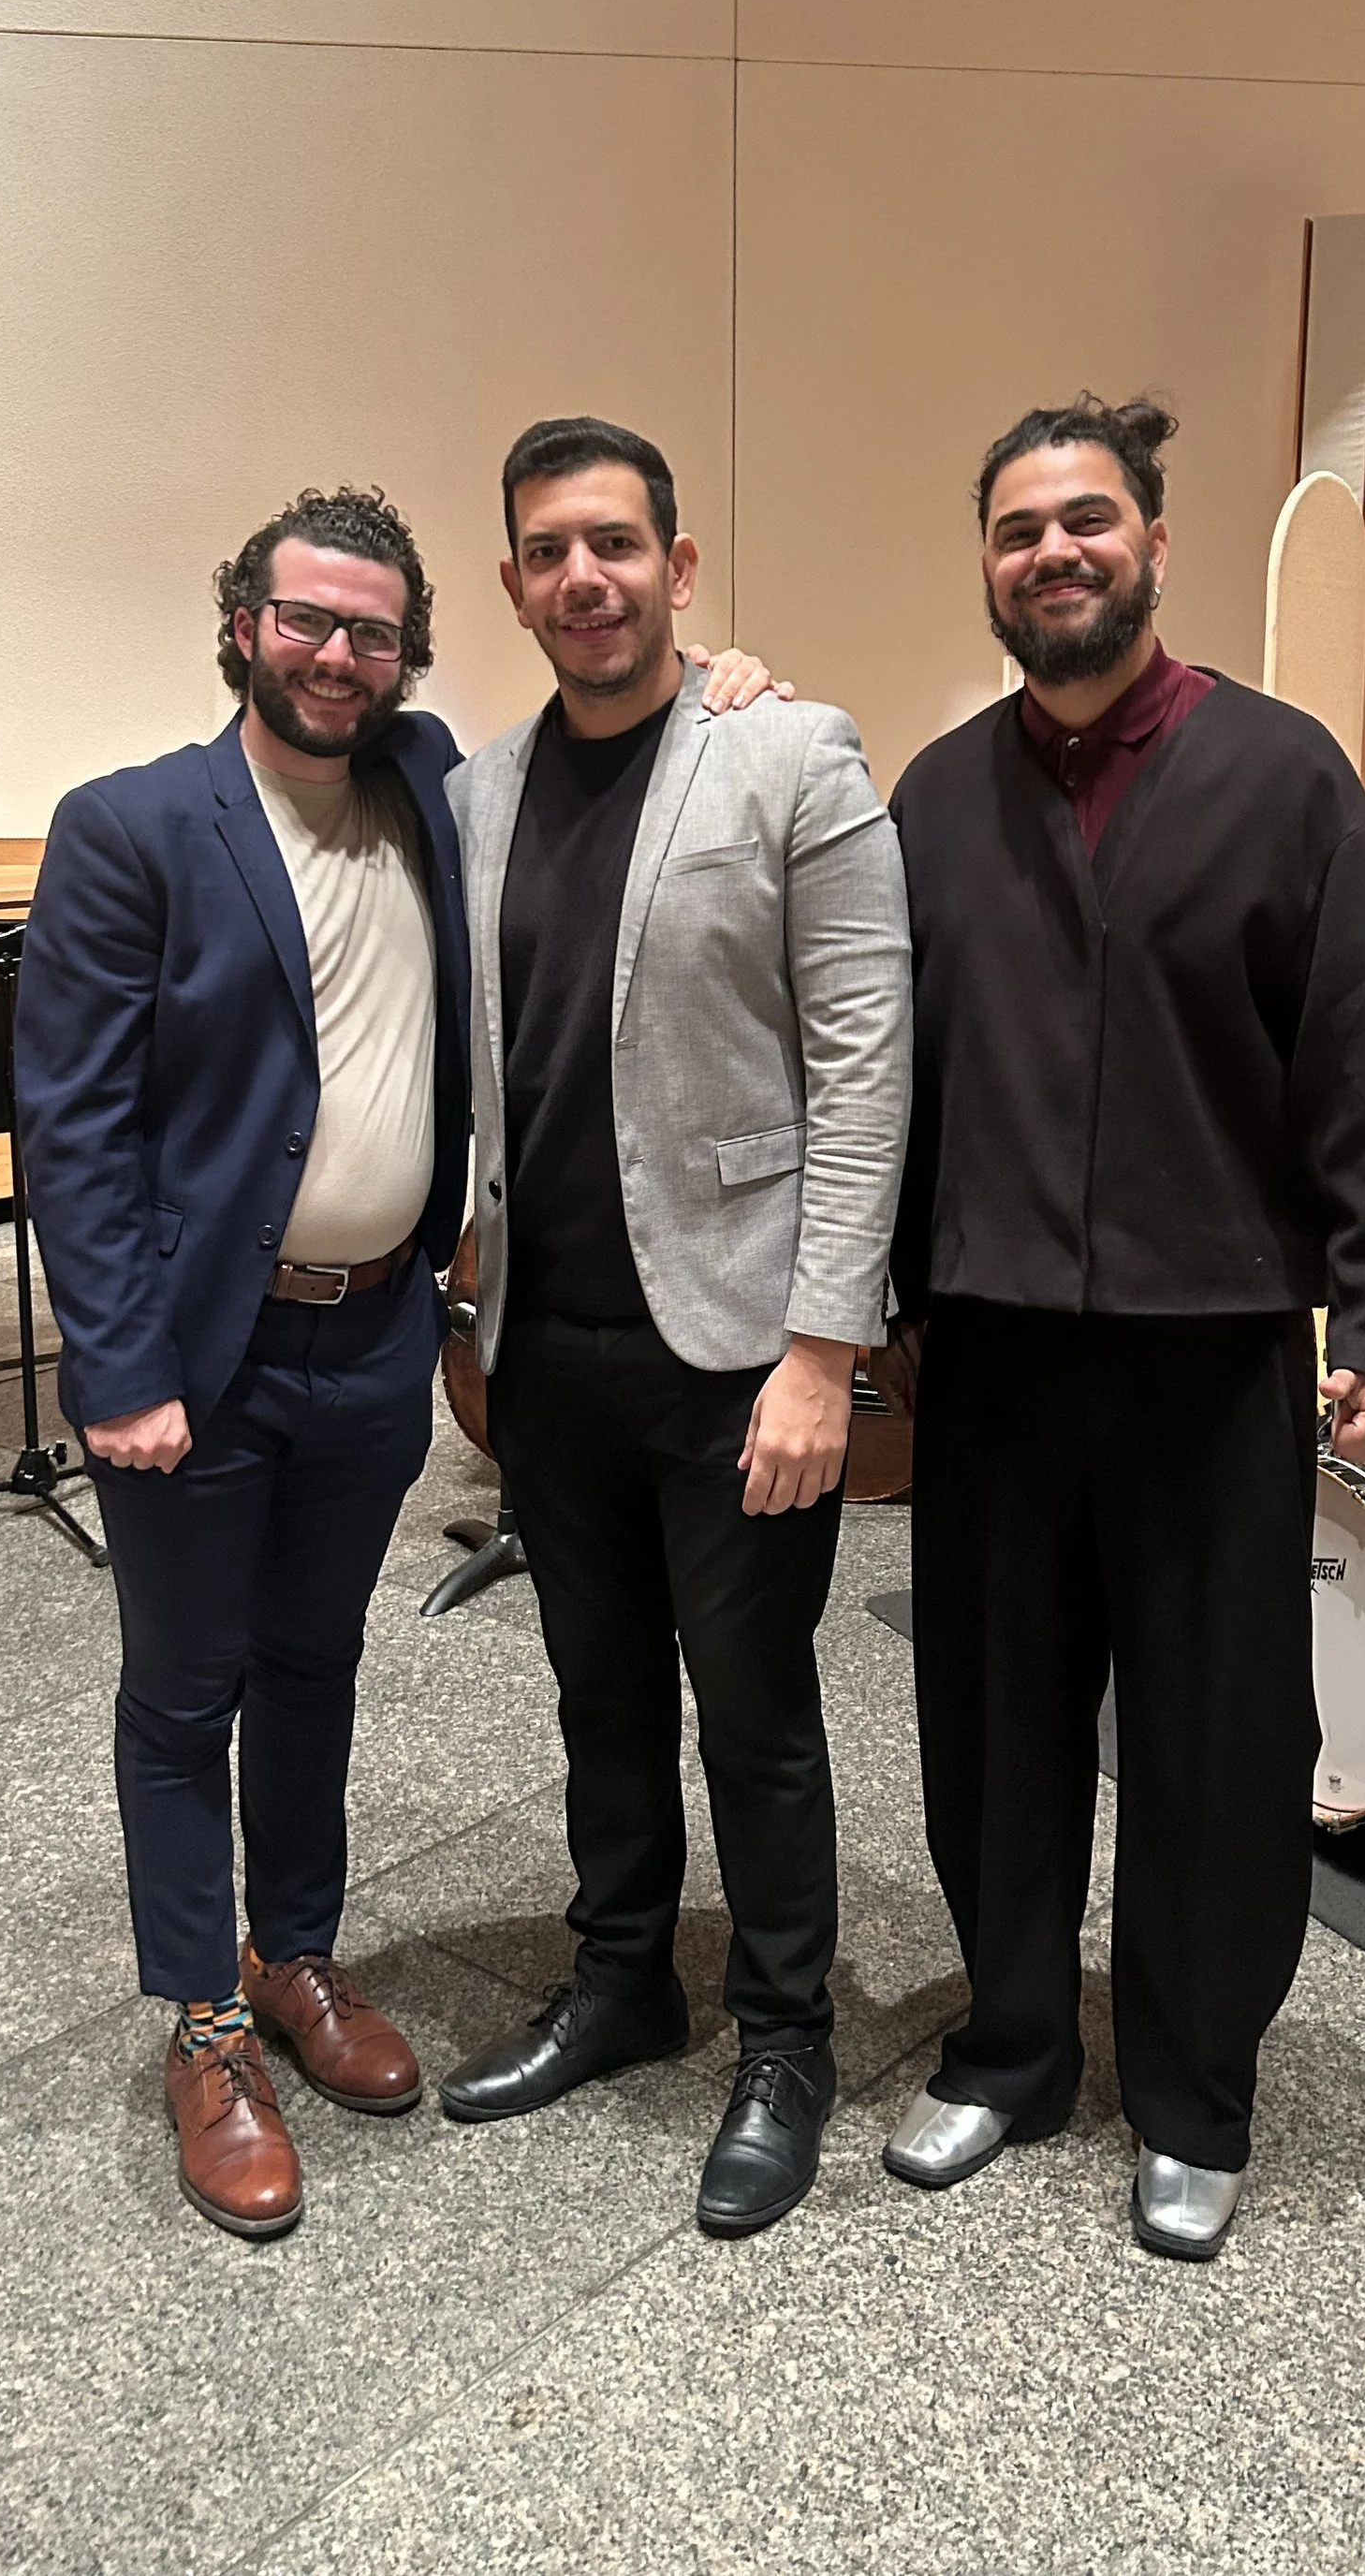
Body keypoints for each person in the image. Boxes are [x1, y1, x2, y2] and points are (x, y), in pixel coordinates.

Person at [16, 484, 776, 2242]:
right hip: (195, 1356)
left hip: (371, 1340)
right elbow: (72, 1128)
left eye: (371, 630)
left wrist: (725, 674)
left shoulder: (438, 792)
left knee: (313, 1666)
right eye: (307, 621)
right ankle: (203, 2027)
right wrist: (121, 1363)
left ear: (409, 649)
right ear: (243, 629)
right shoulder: (132, 826)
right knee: (184, 1686)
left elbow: (623, 724)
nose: (338, 654)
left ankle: (295, 1957)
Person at [872, 394, 1365, 2261]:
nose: (1052, 550)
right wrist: (866, 1303)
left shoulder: (1282, 779)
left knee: (1213, 1742)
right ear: (984, 564)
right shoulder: (934, 796)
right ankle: (1014, 2045)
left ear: (1152, 545)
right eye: (1017, 526)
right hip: (994, 1356)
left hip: (1210, 1354)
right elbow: (888, 1074)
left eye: (1084, 519)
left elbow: (1363, 1063)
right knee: (992, 1724)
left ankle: (1195, 2091)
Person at [437, 416, 913, 2238]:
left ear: (679, 566)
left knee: (756, 1713)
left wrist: (822, 1349)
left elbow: (867, 1065)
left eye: (616, 544)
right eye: (549, 550)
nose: (585, 576)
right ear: (514, 584)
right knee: (597, 1692)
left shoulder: (786, 749)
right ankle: (622, 1978)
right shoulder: (476, 796)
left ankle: (781, 2039)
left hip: (734, 1348)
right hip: (541, 1337)